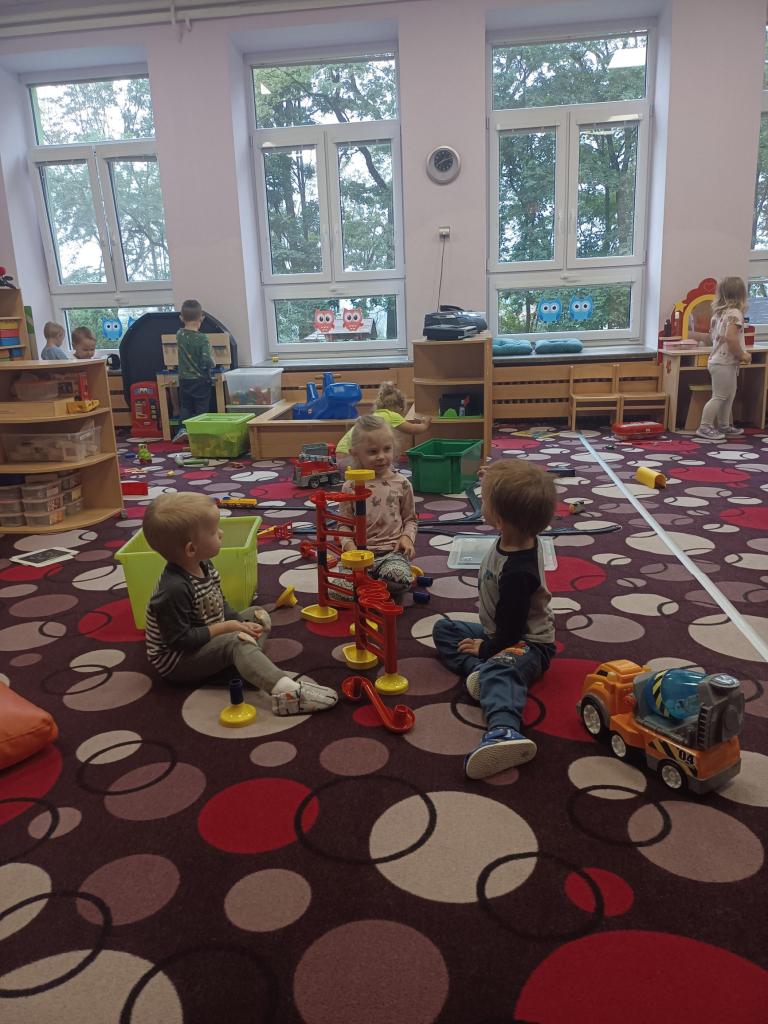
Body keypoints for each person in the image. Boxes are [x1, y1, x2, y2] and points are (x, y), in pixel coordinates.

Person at [142, 492, 338, 715]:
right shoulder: (174, 589)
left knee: (257, 615)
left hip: (204, 636)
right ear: (191, 549)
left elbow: (220, 603)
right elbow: (180, 641)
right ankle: (287, 693)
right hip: (178, 661)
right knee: (238, 640)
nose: (221, 533)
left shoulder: (203, 563)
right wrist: (229, 628)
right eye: (214, 532)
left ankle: (245, 664)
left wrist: (238, 622)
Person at [433, 459, 557, 780]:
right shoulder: (519, 533)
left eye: (485, 499)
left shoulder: (518, 572)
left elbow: (511, 633)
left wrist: (489, 650)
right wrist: (492, 479)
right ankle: (484, 674)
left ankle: (504, 729)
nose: (480, 502)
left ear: (499, 519)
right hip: (499, 632)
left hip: (528, 645)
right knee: (445, 630)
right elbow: (517, 492)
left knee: (502, 669)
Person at [338, 414, 418, 600]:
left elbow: (411, 519)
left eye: (387, 449)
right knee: (338, 591)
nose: (381, 456)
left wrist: (407, 538)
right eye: (373, 451)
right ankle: (372, 588)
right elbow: (344, 525)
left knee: (398, 580)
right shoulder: (350, 486)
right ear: (355, 453)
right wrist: (349, 547)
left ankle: (371, 587)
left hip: (392, 553)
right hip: (358, 556)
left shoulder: (402, 483)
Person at [695, 276, 751, 441]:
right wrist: (742, 355)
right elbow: (731, 338)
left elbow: (715, 337)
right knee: (720, 395)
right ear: (741, 295)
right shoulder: (735, 314)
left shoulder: (719, 314)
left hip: (720, 361)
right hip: (724, 362)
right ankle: (705, 426)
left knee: (729, 394)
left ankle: (724, 425)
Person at [335, 382, 430, 469]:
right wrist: (425, 424)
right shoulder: (392, 415)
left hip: (341, 454)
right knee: (388, 469)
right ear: (400, 408)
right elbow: (413, 429)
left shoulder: (375, 415)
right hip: (351, 456)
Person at [173, 299, 214, 443]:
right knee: (201, 407)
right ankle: (200, 432)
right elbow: (207, 360)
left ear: (181, 318)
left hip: (184, 379)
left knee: (186, 406)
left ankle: (183, 430)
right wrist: (213, 363)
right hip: (200, 379)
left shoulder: (179, 334)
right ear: (201, 317)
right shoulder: (203, 338)